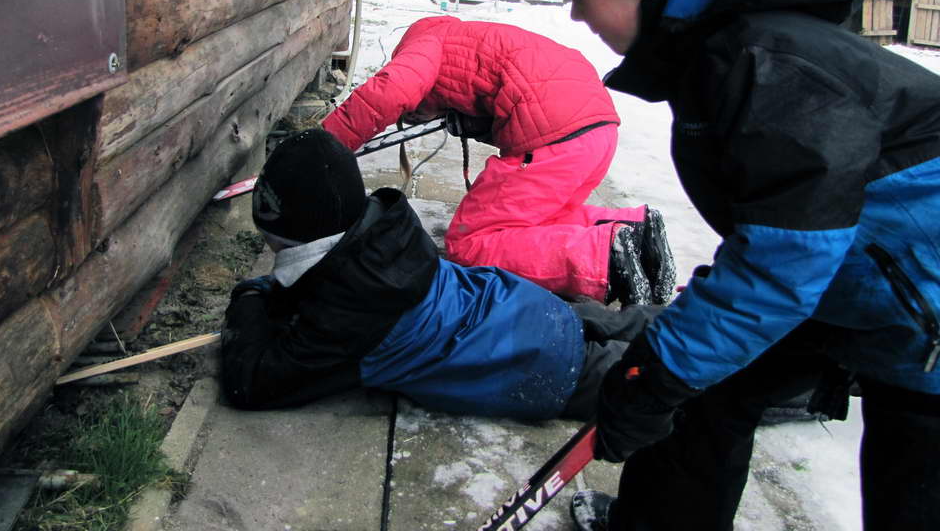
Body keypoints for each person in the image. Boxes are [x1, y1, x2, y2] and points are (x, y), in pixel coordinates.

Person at [536, 0, 940, 531]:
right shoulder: (720, 51)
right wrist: (668, 369)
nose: (577, 12)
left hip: (922, 310)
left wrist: (662, 370)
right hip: (852, 279)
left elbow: (785, 257)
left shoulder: (771, 64)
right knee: (703, 382)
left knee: (910, 484)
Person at [219, 128, 662, 420]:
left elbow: (252, 383)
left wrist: (251, 297)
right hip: (521, 305)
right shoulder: (388, 236)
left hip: (538, 363)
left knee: (663, 383)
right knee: (642, 326)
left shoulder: (343, 321)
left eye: (276, 246)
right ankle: (690, 323)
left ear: (300, 245)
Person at [321, 13, 676, 305]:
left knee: (471, 243)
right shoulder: (470, 41)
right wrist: (477, 123)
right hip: (598, 130)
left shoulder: (424, 43)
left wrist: (323, 147)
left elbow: (388, 92)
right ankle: (636, 233)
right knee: (541, 219)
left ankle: (604, 258)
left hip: (556, 136)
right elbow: (516, 87)